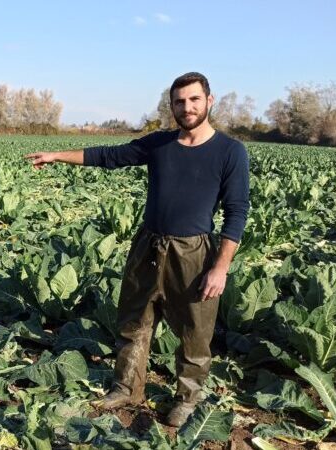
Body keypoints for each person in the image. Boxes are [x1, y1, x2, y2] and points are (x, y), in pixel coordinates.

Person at [23, 72, 250, 426]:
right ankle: (127, 387)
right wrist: (56, 155)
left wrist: (220, 268)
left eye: (193, 99)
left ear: (210, 100)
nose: (186, 107)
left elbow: (237, 212)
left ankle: (187, 399)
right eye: (179, 101)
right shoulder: (160, 144)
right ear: (172, 105)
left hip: (193, 251)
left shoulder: (230, 151)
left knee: (195, 330)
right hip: (149, 244)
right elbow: (111, 155)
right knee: (134, 319)